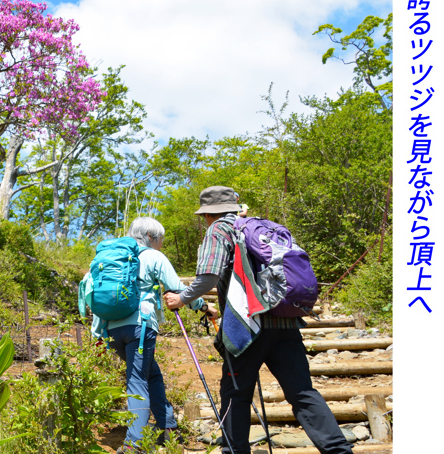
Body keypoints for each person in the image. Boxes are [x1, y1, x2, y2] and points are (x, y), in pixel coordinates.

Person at [163, 186, 352, 454]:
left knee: (236, 395)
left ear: (207, 214)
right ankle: (339, 451)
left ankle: (235, 451)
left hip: (247, 327)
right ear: (236, 207)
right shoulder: (264, 227)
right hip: (286, 323)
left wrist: (182, 298)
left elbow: (209, 277)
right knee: (302, 394)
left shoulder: (219, 229)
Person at [84, 216, 218, 453]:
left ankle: (168, 427)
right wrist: (205, 307)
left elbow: (90, 292)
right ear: (150, 237)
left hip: (111, 329)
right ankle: (134, 443)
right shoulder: (153, 256)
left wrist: (98, 333)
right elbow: (179, 288)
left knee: (151, 374)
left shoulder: (110, 259)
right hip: (140, 327)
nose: (162, 244)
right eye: (161, 239)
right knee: (137, 381)